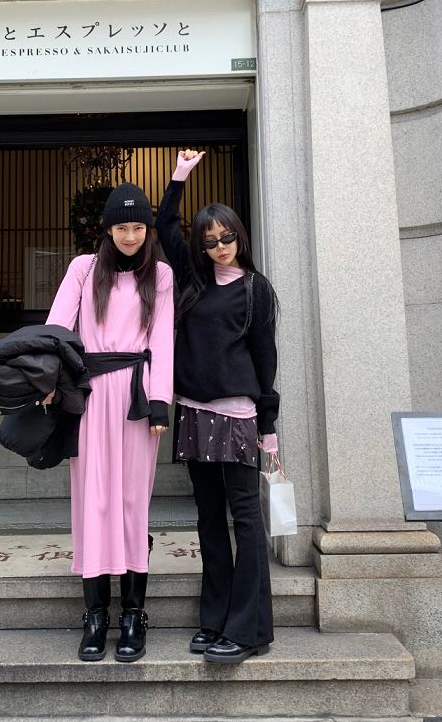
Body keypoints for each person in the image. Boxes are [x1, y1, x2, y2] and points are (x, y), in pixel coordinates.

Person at [156, 149, 279, 664]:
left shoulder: (255, 288)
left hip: (238, 417)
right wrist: (179, 175)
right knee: (208, 518)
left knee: (246, 519)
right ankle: (214, 620)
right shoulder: (194, 281)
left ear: (239, 236)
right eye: (210, 242)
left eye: (226, 237)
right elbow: (165, 226)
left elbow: (266, 360)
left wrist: (269, 426)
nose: (220, 247)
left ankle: (249, 631)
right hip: (193, 411)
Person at [46, 182, 173, 663]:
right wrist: (50, 380)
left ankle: (134, 615)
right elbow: (57, 329)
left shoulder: (159, 274)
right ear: (107, 229)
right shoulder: (83, 269)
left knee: (132, 503)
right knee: (93, 502)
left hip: (137, 397)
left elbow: (162, 338)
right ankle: (95, 616)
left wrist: (159, 400)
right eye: (122, 227)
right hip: (92, 395)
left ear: (148, 229)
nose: (130, 236)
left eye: (138, 227)